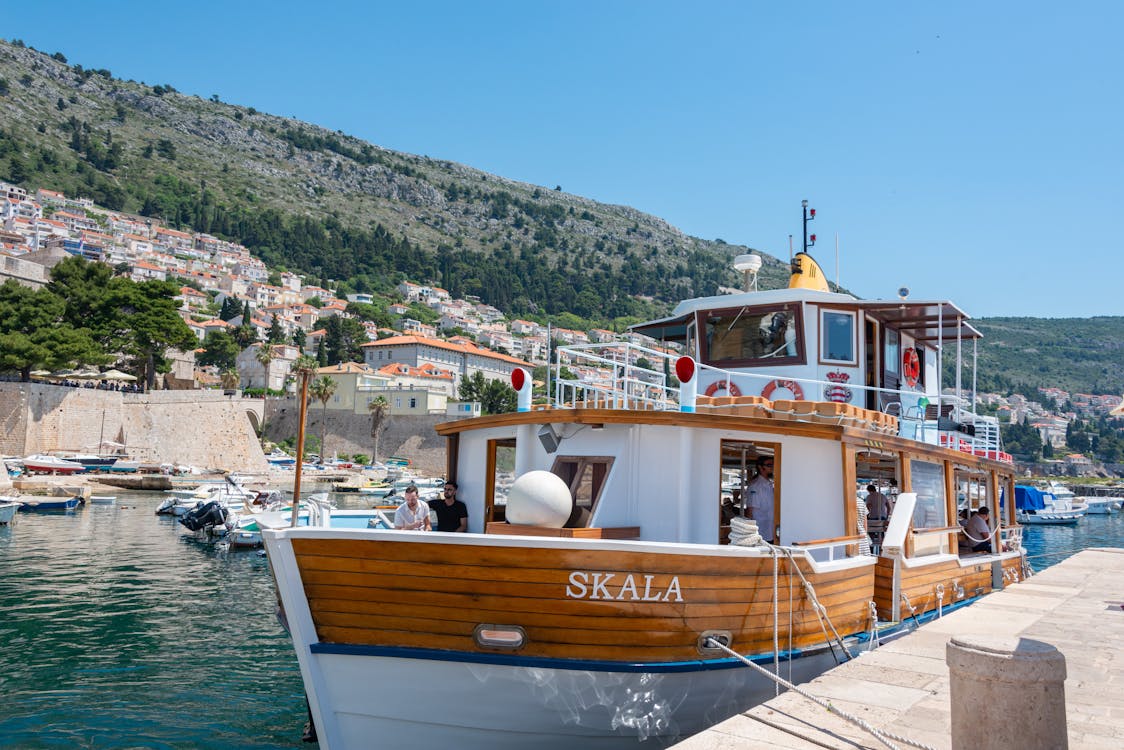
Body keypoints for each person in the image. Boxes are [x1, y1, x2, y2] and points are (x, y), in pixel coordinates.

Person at [745, 456, 775, 543]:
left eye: (773, 464)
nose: (772, 467)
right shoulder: (755, 486)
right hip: (760, 532)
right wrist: (749, 534)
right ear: (760, 467)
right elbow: (750, 510)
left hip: (772, 529)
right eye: (769, 465)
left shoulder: (771, 484)